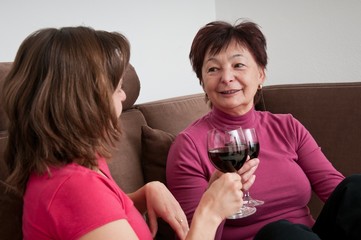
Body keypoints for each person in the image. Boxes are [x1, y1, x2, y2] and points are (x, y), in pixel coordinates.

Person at [1, 26, 246, 240]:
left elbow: (91, 217)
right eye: (116, 88)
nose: (124, 95)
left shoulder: (78, 162)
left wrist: (139, 196)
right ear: (85, 100)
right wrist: (211, 212)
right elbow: (80, 206)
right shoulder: (73, 188)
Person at [166, 20, 361, 239]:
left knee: (354, 187)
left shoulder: (287, 126)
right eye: (213, 69)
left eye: (238, 65)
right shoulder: (188, 146)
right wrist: (216, 197)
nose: (227, 77)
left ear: (261, 75)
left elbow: (337, 191)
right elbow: (194, 234)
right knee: (281, 232)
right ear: (202, 82)